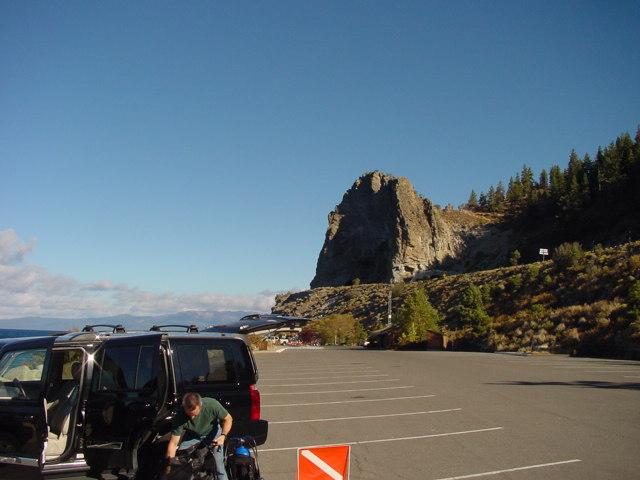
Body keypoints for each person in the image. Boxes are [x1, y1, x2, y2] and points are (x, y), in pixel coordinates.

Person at [165, 392, 233, 480]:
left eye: (195, 414)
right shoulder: (179, 416)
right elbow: (173, 443)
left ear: (200, 406)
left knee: (218, 466)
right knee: (184, 461)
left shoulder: (211, 404)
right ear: (184, 408)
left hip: (213, 433)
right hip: (193, 436)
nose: (192, 417)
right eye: (189, 414)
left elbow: (228, 419)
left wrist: (223, 436)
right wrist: (169, 467)